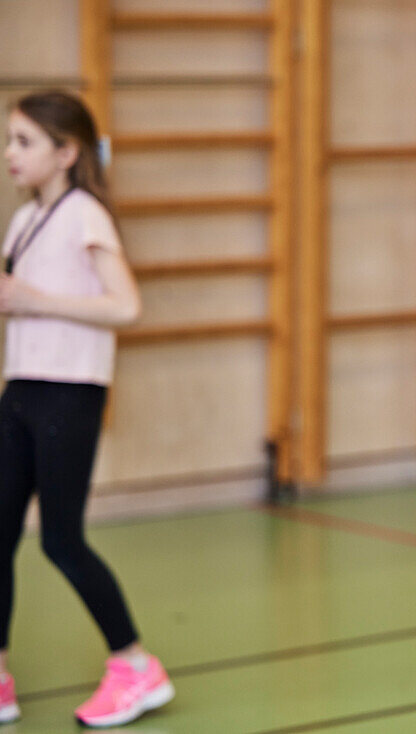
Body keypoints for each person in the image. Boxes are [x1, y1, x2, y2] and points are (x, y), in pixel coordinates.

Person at [0, 91, 174, 727]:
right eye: (9, 140)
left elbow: (126, 308)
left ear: (67, 152)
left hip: (68, 392)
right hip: (20, 389)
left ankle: (135, 665)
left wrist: (32, 298)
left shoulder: (85, 216)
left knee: (61, 540)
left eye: (24, 142)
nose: (10, 154)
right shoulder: (23, 222)